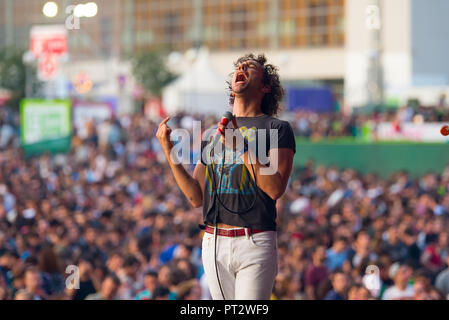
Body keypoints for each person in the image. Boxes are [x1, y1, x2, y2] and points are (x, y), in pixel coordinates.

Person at [156, 53, 296, 300]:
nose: (242, 67)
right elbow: (195, 196)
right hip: (214, 241)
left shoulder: (277, 129)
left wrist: (240, 147)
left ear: (265, 87)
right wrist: (169, 153)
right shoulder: (213, 134)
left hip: (255, 241)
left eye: (250, 67)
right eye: (239, 67)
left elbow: (275, 188)